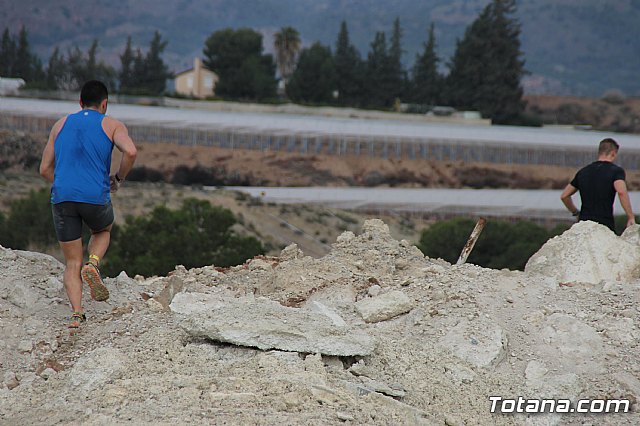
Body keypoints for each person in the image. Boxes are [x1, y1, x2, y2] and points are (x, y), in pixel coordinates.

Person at [39, 80, 137, 328]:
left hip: (63, 196)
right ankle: (93, 263)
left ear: (80, 102)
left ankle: (76, 314)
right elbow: (131, 152)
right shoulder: (112, 124)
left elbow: (44, 169)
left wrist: (64, 183)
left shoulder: (60, 124)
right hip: (94, 195)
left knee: (72, 262)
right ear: (105, 104)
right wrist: (119, 178)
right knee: (103, 229)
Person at [560, 137, 634, 232]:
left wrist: (575, 212)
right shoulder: (616, 171)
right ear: (613, 153)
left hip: (583, 224)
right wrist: (630, 216)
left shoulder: (583, 172)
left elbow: (564, 196)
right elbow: (621, 192)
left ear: (599, 152)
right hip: (604, 224)